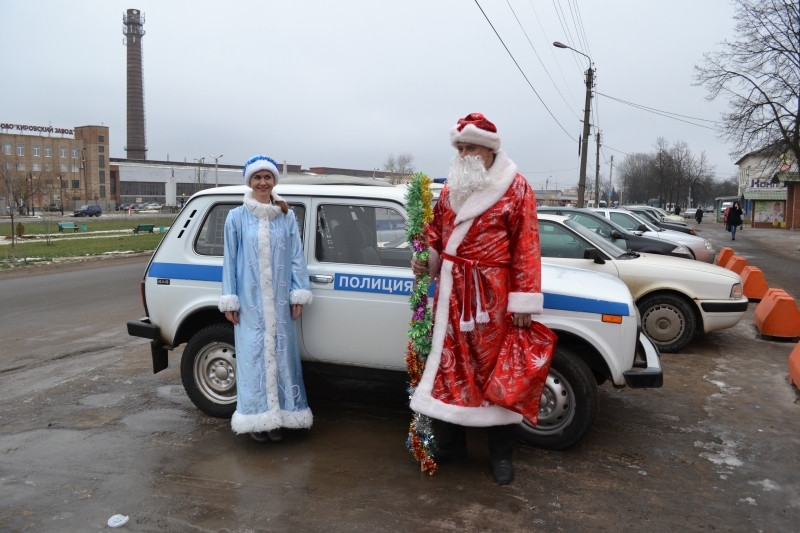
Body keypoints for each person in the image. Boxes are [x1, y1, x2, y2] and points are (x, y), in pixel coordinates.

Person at [410, 113, 544, 485]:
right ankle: (452, 445)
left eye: (469, 147)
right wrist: (428, 258)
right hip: (451, 296)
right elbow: (437, 232)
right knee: (449, 369)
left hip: (492, 299)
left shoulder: (516, 188)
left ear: (488, 150)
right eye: (459, 147)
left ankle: (502, 456)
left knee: (495, 374)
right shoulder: (453, 186)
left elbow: (527, 246)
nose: (462, 153)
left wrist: (522, 303)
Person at [219, 155, 314, 443]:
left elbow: (296, 258)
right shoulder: (236, 217)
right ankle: (256, 419)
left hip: (281, 303)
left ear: (274, 181)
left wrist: (298, 294)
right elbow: (229, 260)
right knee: (252, 360)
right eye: (257, 177)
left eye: (268, 177)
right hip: (249, 305)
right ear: (250, 181)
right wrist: (230, 299)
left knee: (284, 359)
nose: (263, 182)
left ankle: (280, 418)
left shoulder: (286, 216)